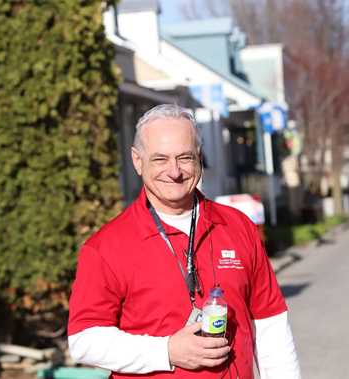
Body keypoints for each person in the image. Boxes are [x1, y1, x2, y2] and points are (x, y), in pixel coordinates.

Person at [67, 104, 301, 379]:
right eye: (160, 159)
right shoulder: (105, 247)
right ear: (137, 160)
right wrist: (166, 351)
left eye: (185, 157)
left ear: (199, 158)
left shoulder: (239, 227)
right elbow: (84, 340)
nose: (174, 171)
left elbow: (270, 325)